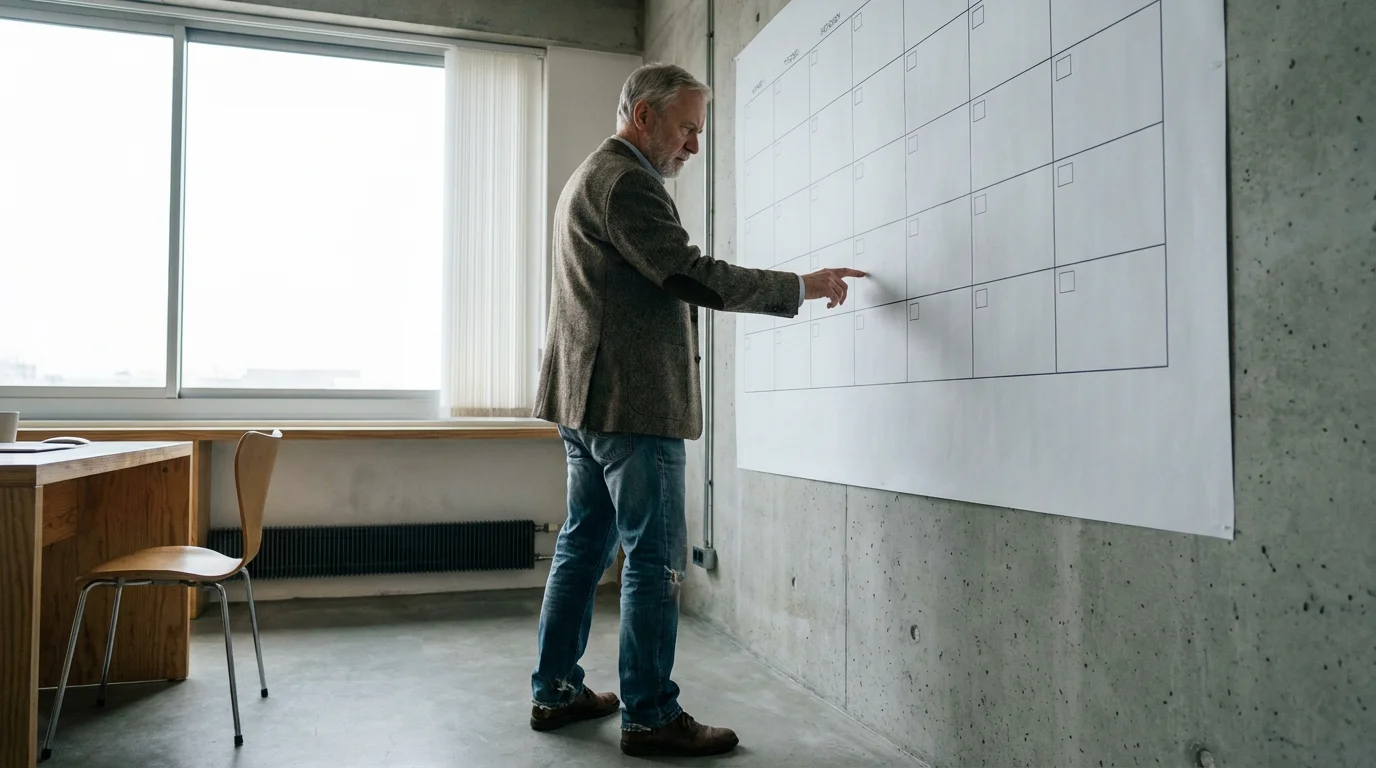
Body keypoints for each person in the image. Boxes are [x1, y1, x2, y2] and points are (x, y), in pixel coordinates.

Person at [528, 62, 864, 758]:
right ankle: (650, 716)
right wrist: (799, 285)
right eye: (687, 129)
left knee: (584, 545)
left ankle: (556, 689)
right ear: (644, 117)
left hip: (587, 403)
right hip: (632, 407)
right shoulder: (626, 182)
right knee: (653, 560)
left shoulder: (591, 176)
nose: (695, 146)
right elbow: (689, 273)